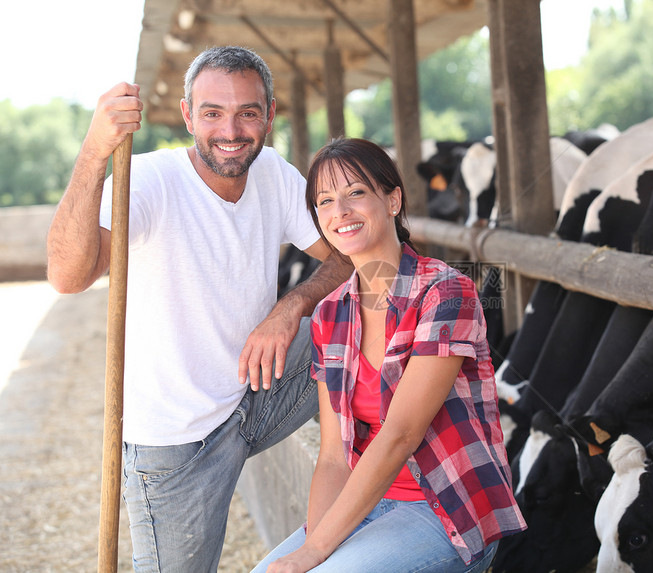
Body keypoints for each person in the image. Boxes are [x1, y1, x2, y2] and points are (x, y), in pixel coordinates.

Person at [45, 46, 352, 572]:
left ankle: (399, 497)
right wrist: (95, 153)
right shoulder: (148, 181)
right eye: (212, 113)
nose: (230, 130)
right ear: (188, 115)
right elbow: (68, 278)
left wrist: (290, 308)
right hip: (176, 444)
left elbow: (348, 256)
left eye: (247, 113)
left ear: (269, 115)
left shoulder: (273, 174)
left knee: (366, 316)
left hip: (258, 395)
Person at [252, 138, 527, 573]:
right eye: (325, 200)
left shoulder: (446, 292)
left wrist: (316, 552)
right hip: (365, 502)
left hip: (443, 509)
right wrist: (318, 544)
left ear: (393, 199)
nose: (339, 211)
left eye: (355, 193)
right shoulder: (330, 313)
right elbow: (331, 457)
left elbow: (401, 432)